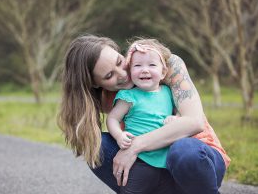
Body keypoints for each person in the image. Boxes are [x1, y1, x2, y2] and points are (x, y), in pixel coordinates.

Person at [58, 34, 230, 194]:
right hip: (153, 167)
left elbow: (194, 122)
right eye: (109, 75)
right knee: (96, 146)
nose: (123, 75)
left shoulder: (164, 64)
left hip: (195, 160)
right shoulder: (107, 97)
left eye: (119, 61)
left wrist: (135, 146)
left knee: (183, 150)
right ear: (95, 84)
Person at [107, 39, 178, 193]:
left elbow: (179, 114)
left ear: (163, 72)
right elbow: (112, 118)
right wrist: (119, 135)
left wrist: (175, 119)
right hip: (140, 160)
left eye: (152, 65)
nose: (144, 70)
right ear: (130, 72)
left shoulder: (168, 92)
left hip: (167, 160)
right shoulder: (129, 96)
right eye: (137, 66)